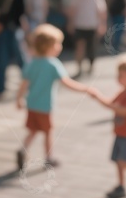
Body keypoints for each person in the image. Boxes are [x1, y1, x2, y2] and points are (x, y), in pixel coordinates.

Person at [16, 24, 88, 169]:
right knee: (48, 132)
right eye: (58, 44)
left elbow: (23, 84)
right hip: (45, 106)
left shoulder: (31, 63)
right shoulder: (53, 64)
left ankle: (22, 149)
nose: (60, 47)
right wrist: (85, 89)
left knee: (33, 130)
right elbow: (66, 83)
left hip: (32, 104)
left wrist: (19, 99)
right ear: (49, 46)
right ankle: (49, 158)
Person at [87, 54, 126, 198]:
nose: (118, 78)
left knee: (123, 160)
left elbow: (123, 111)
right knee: (118, 161)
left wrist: (99, 98)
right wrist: (99, 98)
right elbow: (111, 104)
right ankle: (121, 185)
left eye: (122, 75)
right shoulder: (122, 93)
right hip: (119, 133)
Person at [66, 0, 107, 77]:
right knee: (79, 47)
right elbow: (72, 9)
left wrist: (102, 24)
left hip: (92, 25)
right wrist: (70, 22)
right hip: (79, 25)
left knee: (91, 48)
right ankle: (79, 68)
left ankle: (91, 65)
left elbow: (101, 11)